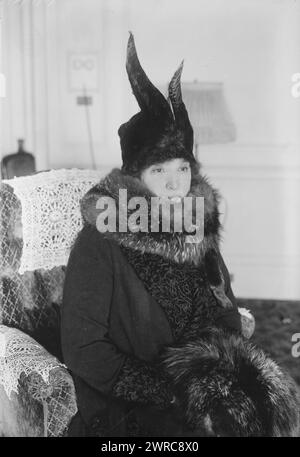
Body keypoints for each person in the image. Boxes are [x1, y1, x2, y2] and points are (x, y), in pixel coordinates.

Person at [61, 33, 299, 437]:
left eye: (182, 170)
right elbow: (85, 351)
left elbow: (223, 306)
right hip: (132, 399)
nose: (174, 185)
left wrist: (220, 375)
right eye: (159, 172)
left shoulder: (196, 225)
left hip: (201, 382)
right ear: (134, 178)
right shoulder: (100, 240)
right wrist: (171, 391)